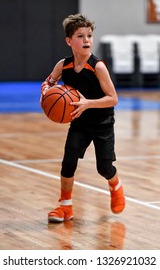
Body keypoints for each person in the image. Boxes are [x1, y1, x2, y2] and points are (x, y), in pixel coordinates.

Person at [40, 13, 125, 222]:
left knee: (103, 167)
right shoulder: (63, 65)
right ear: (69, 41)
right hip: (79, 121)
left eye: (89, 35)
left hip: (102, 123)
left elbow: (113, 98)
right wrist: (45, 94)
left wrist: (88, 103)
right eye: (80, 36)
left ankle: (116, 186)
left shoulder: (98, 67)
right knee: (68, 163)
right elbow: (48, 83)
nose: (86, 40)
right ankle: (65, 207)